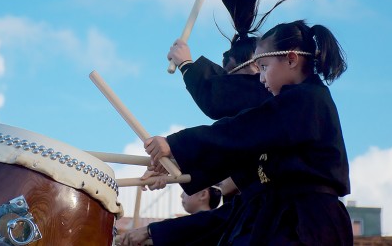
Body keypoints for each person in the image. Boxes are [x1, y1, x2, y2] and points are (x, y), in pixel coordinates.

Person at [144, 19, 353, 245]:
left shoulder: (307, 100)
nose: (261, 79)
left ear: (291, 59)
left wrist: (175, 144)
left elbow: (241, 131)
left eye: (263, 67)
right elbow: (238, 149)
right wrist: (173, 165)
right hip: (291, 218)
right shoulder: (293, 105)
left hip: (308, 225)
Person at [118, 186, 223, 246]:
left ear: (203, 194)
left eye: (186, 190)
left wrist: (149, 233)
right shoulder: (178, 228)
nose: (181, 195)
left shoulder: (204, 227)